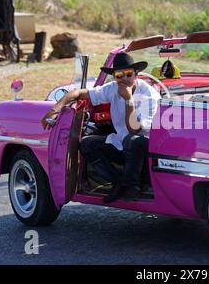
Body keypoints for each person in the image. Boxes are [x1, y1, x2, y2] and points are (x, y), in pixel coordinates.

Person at [41, 52, 161, 202]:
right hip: (122, 144)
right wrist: (55, 109)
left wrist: (128, 100)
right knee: (87, 144)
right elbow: (79, 93)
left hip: (146, 150)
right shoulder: (113, 88)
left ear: (136, 74)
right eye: (119, 75)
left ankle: (132, 186)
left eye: (128, 74)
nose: (124, 78)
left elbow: (134, 129)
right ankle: (118, 182)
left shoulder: (149, 95)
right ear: (115, 77)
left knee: (133, 140)